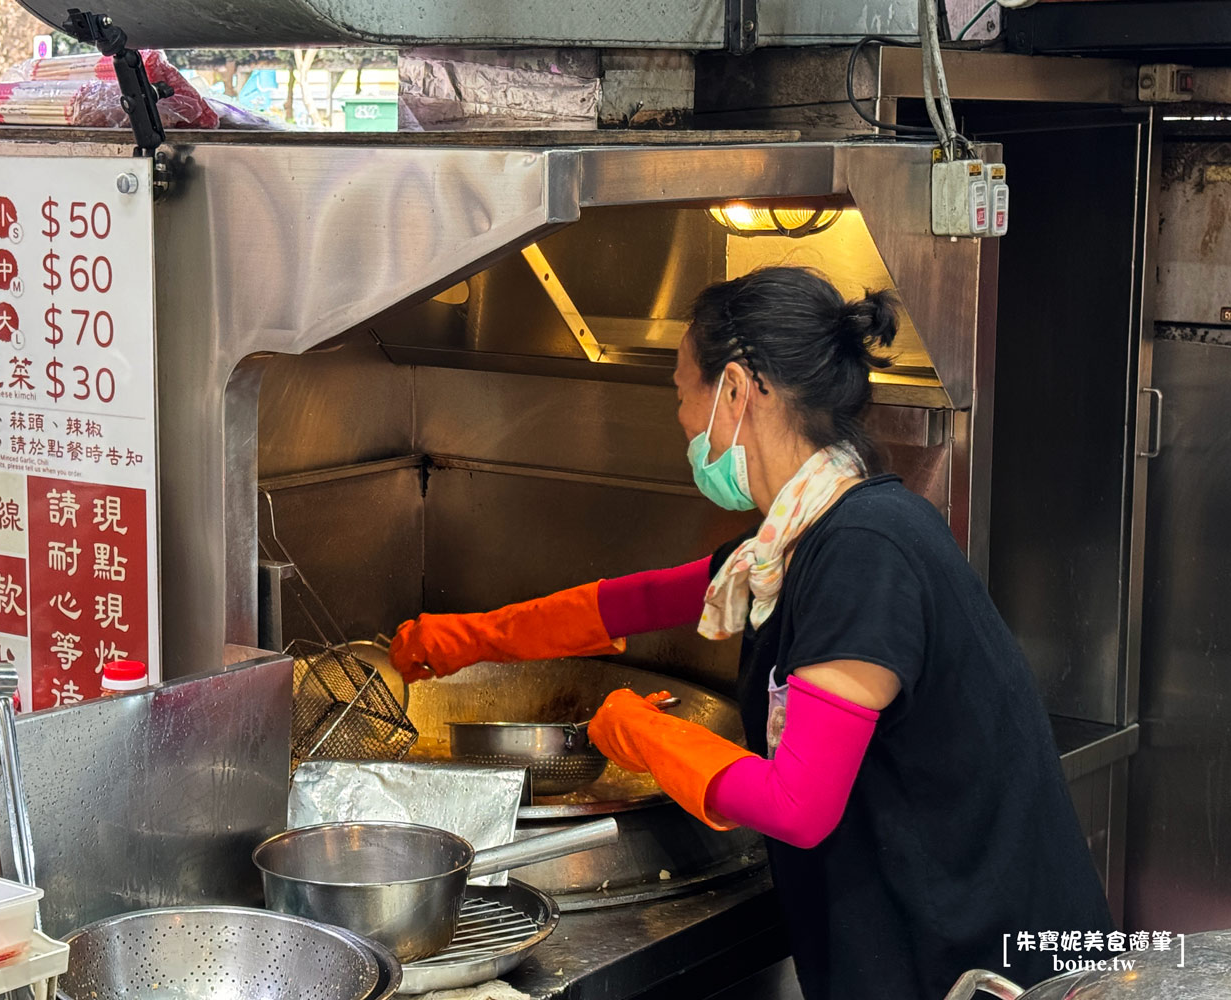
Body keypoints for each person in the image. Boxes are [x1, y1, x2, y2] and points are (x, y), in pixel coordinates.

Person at [388, 267, 1114, 1000]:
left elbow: (800, 804)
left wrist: (642, 735)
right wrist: (468, 638)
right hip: (924, 940)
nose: (679, 420)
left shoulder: (867, 553)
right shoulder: (795, 540)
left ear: (735, 390)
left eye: (681, 394)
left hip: (986, 969)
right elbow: (634, 602)